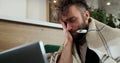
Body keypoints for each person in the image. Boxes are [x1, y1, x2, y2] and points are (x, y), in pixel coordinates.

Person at [47, 0, 120, 63]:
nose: (68, 28)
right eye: (65, 23)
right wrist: (68, 41)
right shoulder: (71, 40)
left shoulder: (115, 36)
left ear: (86, 15)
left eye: (72, 20)